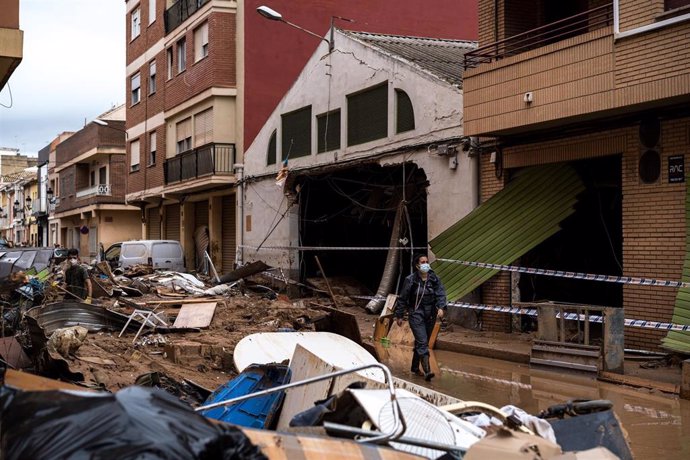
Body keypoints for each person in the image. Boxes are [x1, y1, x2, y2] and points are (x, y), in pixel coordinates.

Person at [395, 254, 447, 381]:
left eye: (426, 261)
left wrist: (441, 307)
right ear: (417, 265)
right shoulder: (411, 280)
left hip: (430, 314)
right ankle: (427, 371)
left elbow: (441, 293)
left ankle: (414, 368)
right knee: (423, 341)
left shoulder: (434, 279)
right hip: (416, 313)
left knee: (421, 342)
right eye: (422, 262)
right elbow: (402, 298)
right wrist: (399, 315)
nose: (425, 264)